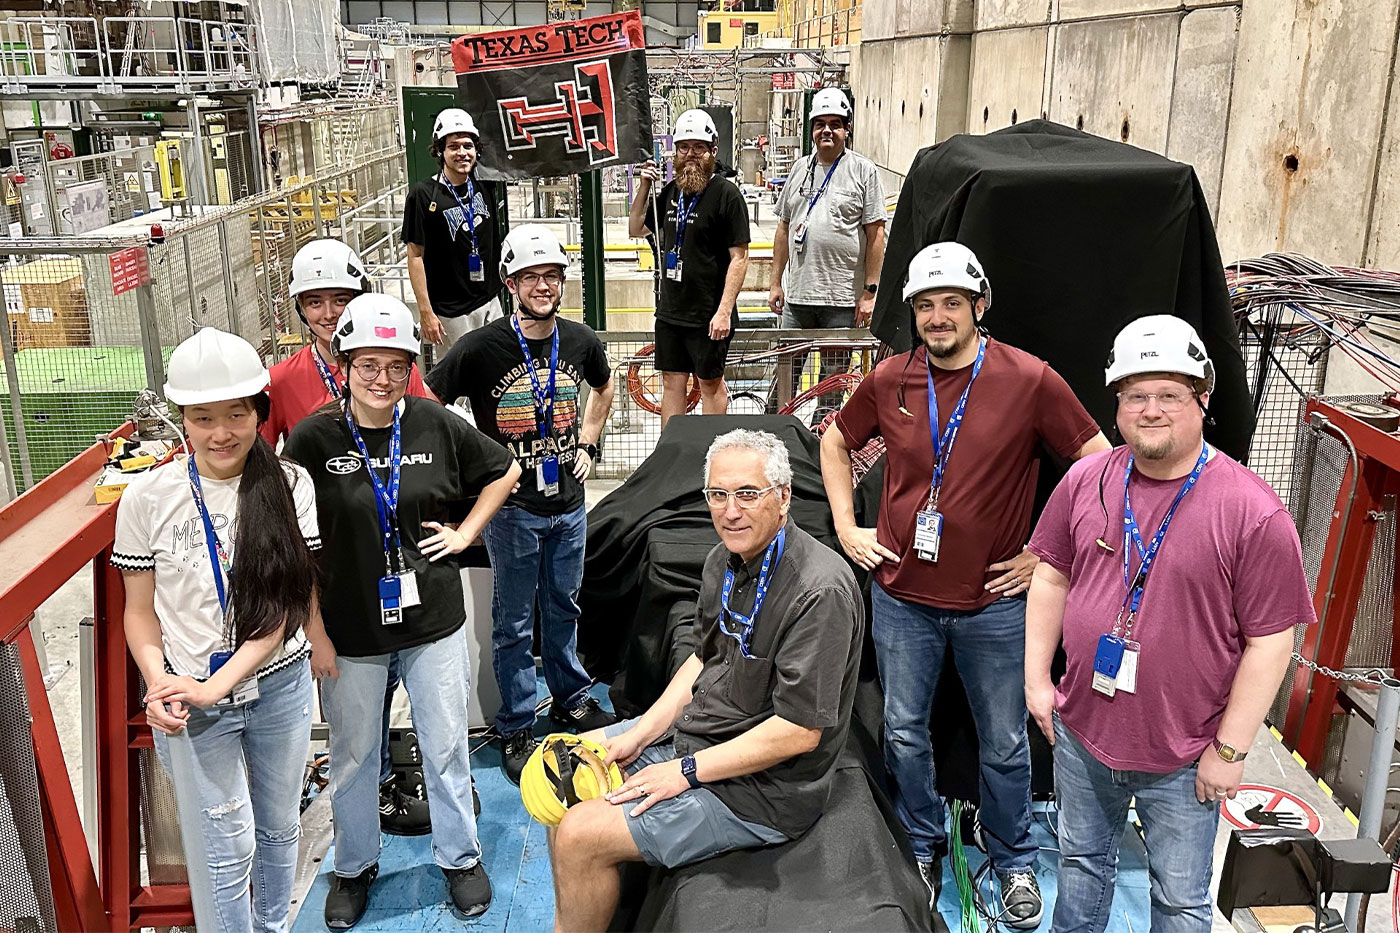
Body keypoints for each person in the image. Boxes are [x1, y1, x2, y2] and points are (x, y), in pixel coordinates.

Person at [820, 242, 1110, 926]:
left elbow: (1098, 460)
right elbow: (835, 441)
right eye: (925, 304)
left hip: (995, 607)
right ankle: (919, 844)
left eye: (952, 302)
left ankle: (1013, 860)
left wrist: (1048, 553)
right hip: (901, 600)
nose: (938, 316)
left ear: (979, 307)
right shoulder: (890, 378)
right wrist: (845, 526)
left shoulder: (1029, 379)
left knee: (1006, 743)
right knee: (903, 733)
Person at [1025, 315, 1312, 932]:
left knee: (1180, 900)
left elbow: (1271, 639)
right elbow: (1050, 576)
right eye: (1135, 395)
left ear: (1203, 400)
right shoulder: (1085, 480)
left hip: (1187, 756)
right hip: (1082, 736)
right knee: (1079, 865)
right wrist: (1035, 684)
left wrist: (1230, 751)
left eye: (1169, 395)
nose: (1150, 410)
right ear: (1117, 403)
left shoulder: (1251, 511)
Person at [547, 429, 864, 933]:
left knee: (580, 835)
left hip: (765, 791)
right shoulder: (725, 560)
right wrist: (641, 732)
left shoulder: (818, 591)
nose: (730, 511)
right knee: (565, 771)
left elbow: (799, 731)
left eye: (746, 494)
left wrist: (686, 771)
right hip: (707, 734)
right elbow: (701, 660)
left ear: (783, 497)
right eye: (718, 495)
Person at [283, 294, 521, 927]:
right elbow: (294, 537)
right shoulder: (311, 438)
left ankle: (460, 859)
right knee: (354, 756)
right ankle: (354, 868)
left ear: (410, 367)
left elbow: (503, 471)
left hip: (432, 622)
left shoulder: (433, 423)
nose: (382, 379)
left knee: (444, 745)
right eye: (368, 365)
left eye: (395, 366)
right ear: (346, 365)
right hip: (351, 627)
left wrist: (467, 533)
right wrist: (314, 631)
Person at [114, 327, 323, 933]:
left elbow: (283, 615)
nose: (221, 432)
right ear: (183, 419)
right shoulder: (148, 498)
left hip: (277, 687)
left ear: (260, 411)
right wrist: (160, 682)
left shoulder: (290, 486)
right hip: (193, 700)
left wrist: (211, 686)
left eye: (237, 414)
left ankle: (273, 927)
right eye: (203, 418)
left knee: (280, 825)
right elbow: (139, 611)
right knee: (224, 845)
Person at [426, 224, 617, 782]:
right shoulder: (481, 348)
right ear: (510, 283)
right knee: (511, 623)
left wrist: (589, 443)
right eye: (531, 277)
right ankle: (513, 724)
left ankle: (570, 699)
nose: (542, 286)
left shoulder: (580, 342)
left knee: (565, 606)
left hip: (569, 504)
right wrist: (466, 473)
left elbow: (604, 388)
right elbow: (428, 403)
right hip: (512, 511)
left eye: (551, 276)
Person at [262, 237, 436, 837]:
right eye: (314, 302)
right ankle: (370, 788)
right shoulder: (283, 381)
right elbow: (264, 467)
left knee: (396, 675)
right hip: (331, 567)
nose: (328, 314)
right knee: (352, 695)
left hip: (392, 554)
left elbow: (429, 426)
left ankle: (388, 771)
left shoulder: (386, 361)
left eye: (341, 299)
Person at [628, 109, 751, 427]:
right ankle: (673, 454)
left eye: (699, 147)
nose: (691, 155)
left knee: (710, 384)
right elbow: (636, 228)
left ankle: (712, 454)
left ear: (713, 151)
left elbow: (740, 258)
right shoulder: (669, 193)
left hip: (709, 315)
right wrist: (643, 186)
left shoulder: (727, 196)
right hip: (671, 312)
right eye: (684, 147)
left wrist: (724, 311)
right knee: (672, 382)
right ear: (675, 152)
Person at [769, 87, 886, 411]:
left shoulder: (862, 171)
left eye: (835, 123)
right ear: (812, 129)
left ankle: (820, 449)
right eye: (820, 124)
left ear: (847, 128)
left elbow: (876, 234)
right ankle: (774, 438)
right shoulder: (800, 169)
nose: (827, 131)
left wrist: (869, 292)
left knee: (831, 386)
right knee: (784, 378)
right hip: (798, 300)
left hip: (840, 303)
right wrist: (776, 281)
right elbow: (783, 227)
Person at [402, 107, 504, 347]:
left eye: (468, 146)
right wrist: (426, 312)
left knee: (495, 371)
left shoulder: (484, 185)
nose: (462, 153)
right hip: (451, 312)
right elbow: (415, 256)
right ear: (440, 150)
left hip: (490, 302)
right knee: (461, 379)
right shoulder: (424, 195)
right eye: (454, 146)